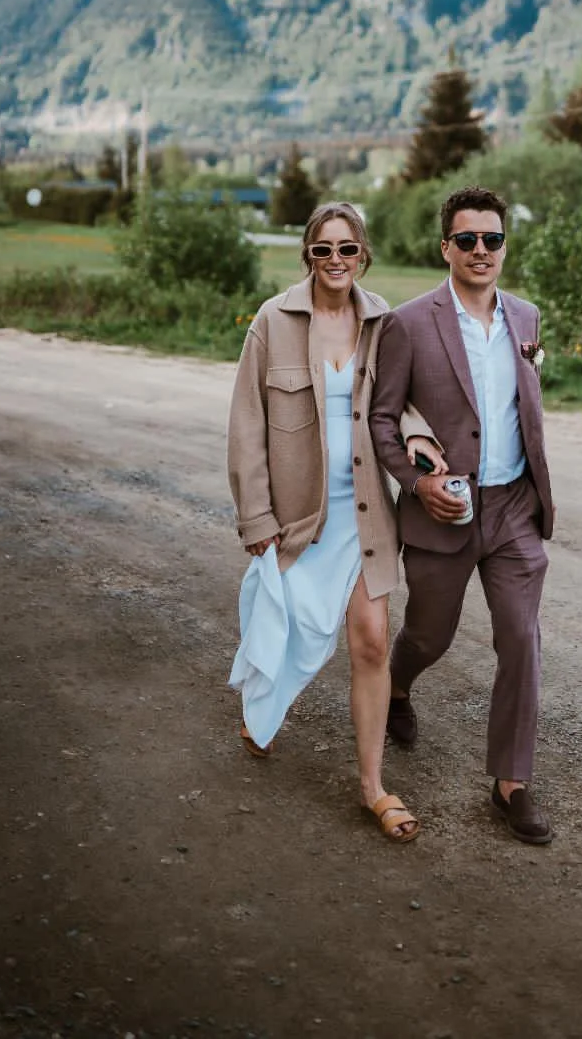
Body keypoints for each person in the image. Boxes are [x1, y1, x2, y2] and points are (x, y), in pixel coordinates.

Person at [226, 201, 445, 843]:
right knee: (287, 622)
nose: (336, 261)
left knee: (372, 639)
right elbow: (246, 425)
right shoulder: (274, 320)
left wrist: (421, 439)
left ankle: (372, 787)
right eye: (323, 249)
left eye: (347, 248)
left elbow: (401, 403)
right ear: (308, 256)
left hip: (366, 513)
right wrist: (256, 516)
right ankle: (262, 703)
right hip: (299, 518)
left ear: (363, 254)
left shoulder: (383, 323)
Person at [369, 185, 555, 845]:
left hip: (513, 509)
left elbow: (521, 409)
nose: (482, 250)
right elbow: (383, 419)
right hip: (443, 510)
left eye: (493, 239)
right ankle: (396, 686)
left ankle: (512, 782)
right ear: (446, 246)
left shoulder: (527, 318)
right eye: (468, 239)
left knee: (522, 639)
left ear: (505, 245)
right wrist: (420, 486)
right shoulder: (410, 322)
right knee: (430, 634)